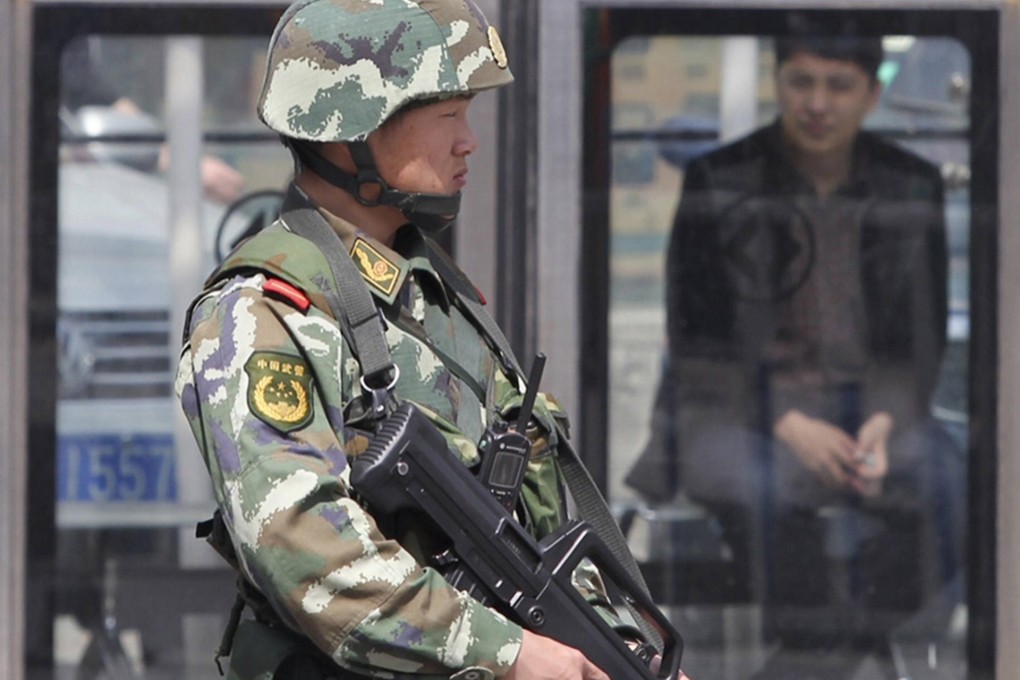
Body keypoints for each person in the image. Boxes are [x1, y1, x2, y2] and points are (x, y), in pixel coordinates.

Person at [175, 2, 689, 680]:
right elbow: (307, 553)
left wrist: (621, 652)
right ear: (352, 125)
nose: (468, 142)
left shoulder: (431, 294)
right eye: (448, 116)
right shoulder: (262, 312)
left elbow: (536, 534)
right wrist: (508, 654)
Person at [626, 32, 964, 679]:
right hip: (737, 407)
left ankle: (810, 661)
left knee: (951, 483)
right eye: (801, 82)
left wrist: (884, 423)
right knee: (764, 487)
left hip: (870, 405)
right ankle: (828, 650)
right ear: (778, 84)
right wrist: (786, 423)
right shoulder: (719, 180)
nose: (817, 104)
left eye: (838, 86)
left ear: (872, 95)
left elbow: (919, 340)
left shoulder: (911, 185)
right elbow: (695, 340)